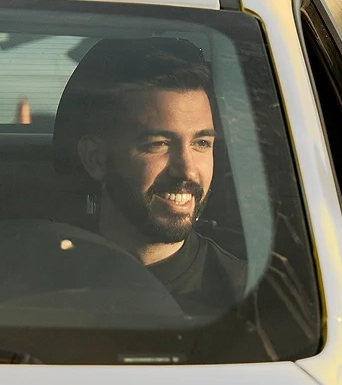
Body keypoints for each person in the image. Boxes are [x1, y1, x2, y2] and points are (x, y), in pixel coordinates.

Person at [54, 38, 245, 315]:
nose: (188, 170)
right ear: (95, 159)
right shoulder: (34, 282)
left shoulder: (249, 298)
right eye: (159, 144)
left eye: (201, 143)